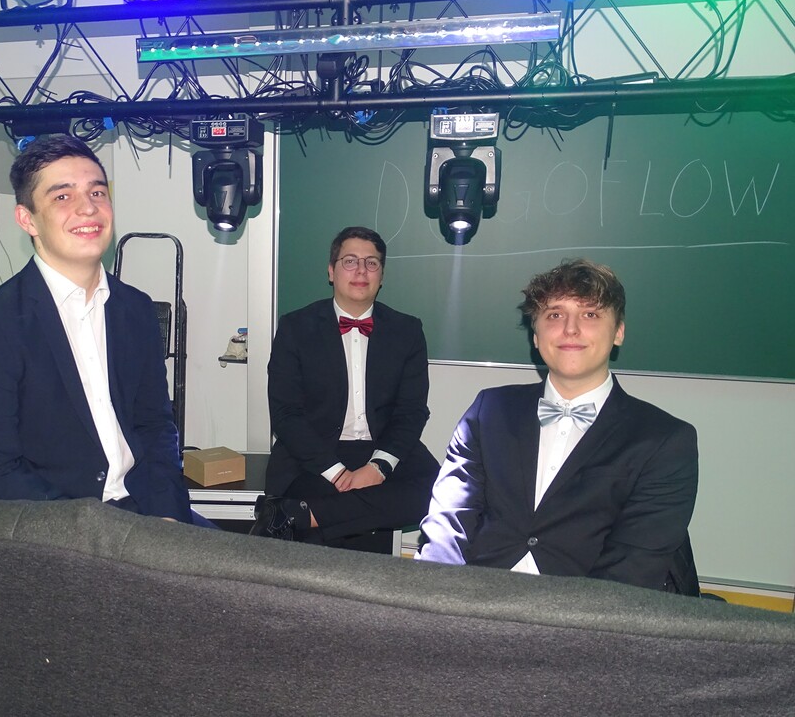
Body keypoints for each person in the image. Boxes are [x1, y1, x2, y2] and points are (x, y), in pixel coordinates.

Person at [0, 134, 194, 522]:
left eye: (97, 193)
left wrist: (168, 515)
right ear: (27, 219)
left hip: (145, 511)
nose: (88, 208)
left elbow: (155, 426)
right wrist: (89, 532)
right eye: (62, 196)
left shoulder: (136, 309)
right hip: (58, 526)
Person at [416, 259, 699, 592]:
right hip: (475, 596)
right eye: (554, 315)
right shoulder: (488, 410)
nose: (570, 329)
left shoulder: (665, 440)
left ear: (619, 332)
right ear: (536, 336)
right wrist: (436, 595)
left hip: (582, 611)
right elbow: (448, 521)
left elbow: (631, 568)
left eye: (590, 314)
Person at [250, 226, 440, 549]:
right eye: (350, 261)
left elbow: (411, 412)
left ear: (382, 275)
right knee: (317, 504)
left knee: (440, 493)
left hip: (380, 446)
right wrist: (337, 473)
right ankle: (311, 515)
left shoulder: (407, 330)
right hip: (314, 453)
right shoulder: (295, 327)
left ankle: (301, 516)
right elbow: (286, 414)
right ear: (331, 271)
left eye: (371, 263)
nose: (361, 271)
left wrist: (378, 468)